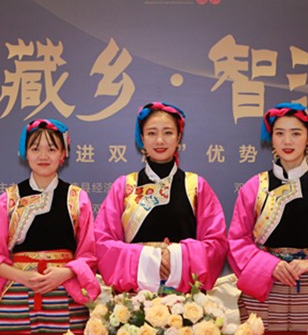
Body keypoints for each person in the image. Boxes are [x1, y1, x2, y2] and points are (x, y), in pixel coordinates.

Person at [227, 103, 308, 331]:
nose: (287, 141)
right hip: (264, 283)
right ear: (272, 138)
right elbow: (237, 240)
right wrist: (271, 265)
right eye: (280, 133)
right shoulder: (254, 187)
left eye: (296, 133)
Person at [0, 119, 100, 333]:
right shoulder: (9, 199)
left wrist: (65, 273)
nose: (43, 156)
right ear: (26, 153)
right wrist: (22, 276)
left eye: (51, 149)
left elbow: (90, 254)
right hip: (16, 296)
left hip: (66, 294)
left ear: (63, 154)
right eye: (35, 149)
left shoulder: (77, 198)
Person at [95, 102, 228, 293]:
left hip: (186, 297)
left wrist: (176, 257)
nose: (159, 140)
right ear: (142, 138)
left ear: (179, 137)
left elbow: (216, 243)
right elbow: (103, 243)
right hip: (133, 296)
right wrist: (150, 259)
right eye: (151, 133)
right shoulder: (124, 187)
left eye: (168, 132)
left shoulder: (196, 186)